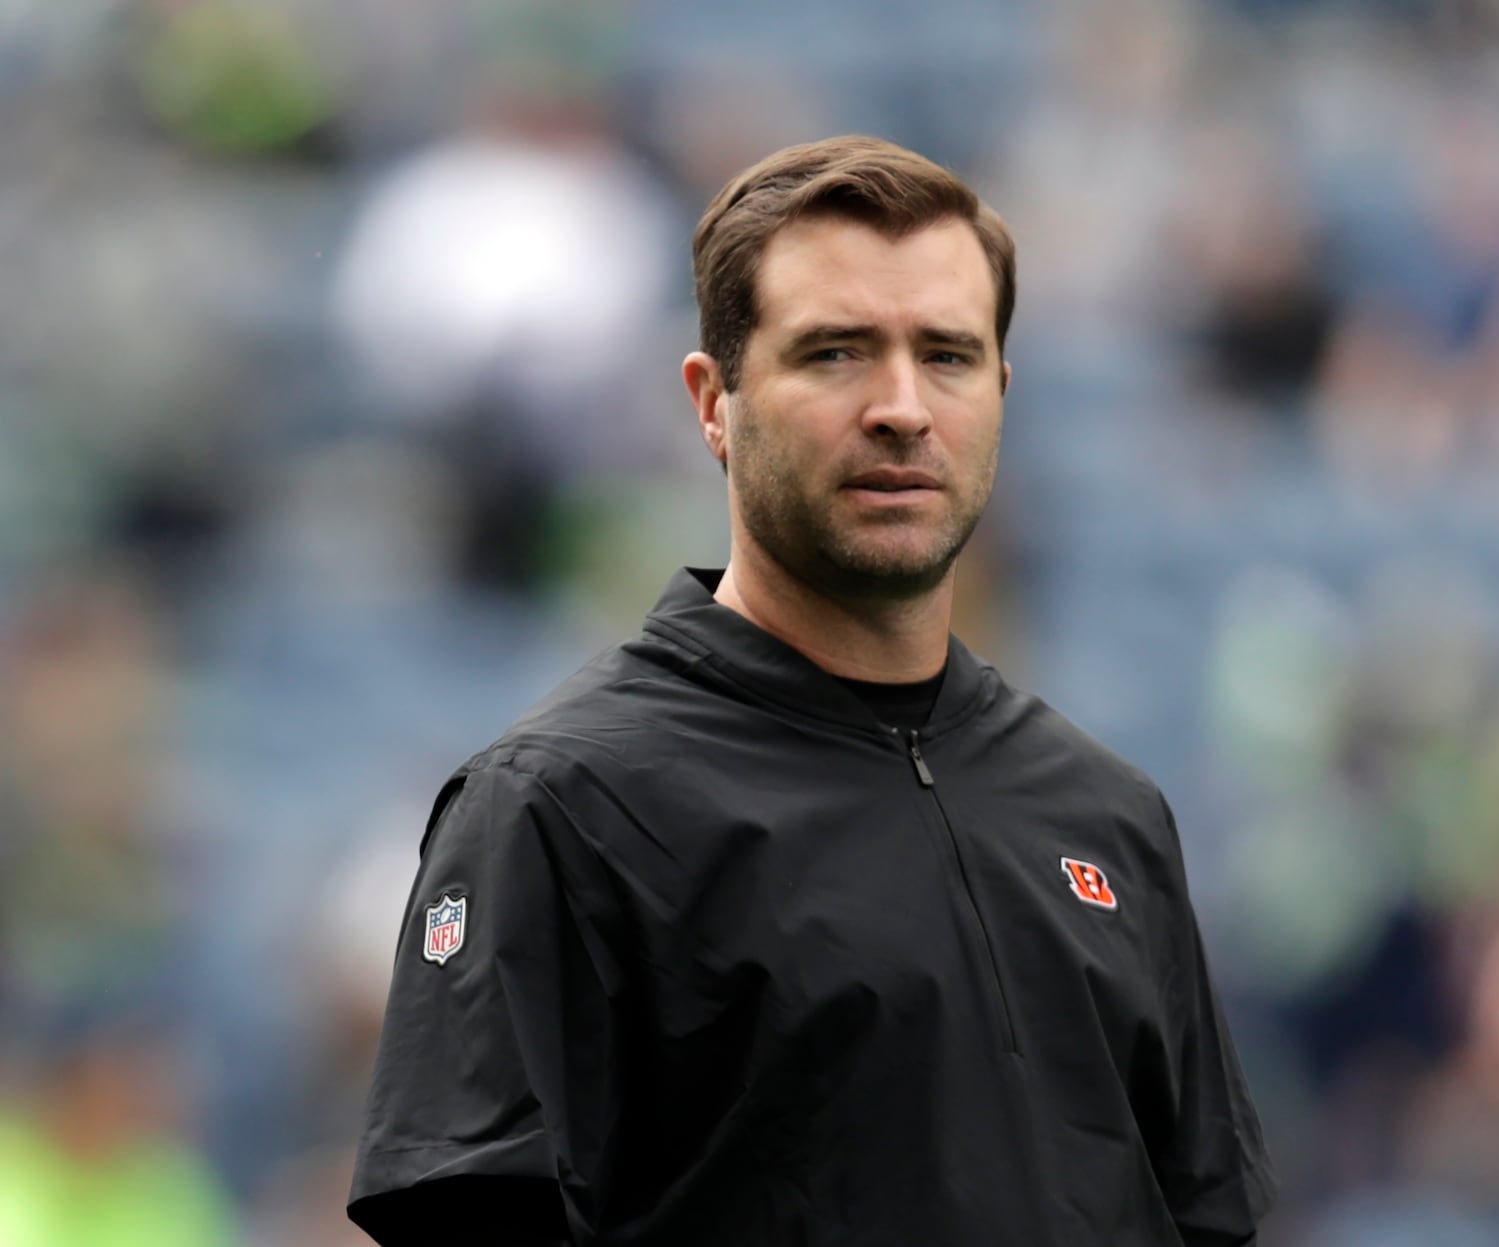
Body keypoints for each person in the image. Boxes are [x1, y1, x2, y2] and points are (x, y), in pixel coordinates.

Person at [347, 135, 1276, 1246]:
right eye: (835, 352)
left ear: (999, 393)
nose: (900, 406)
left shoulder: (1108, 818)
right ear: (712, 401)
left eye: (946, 355)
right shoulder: (562, 807)